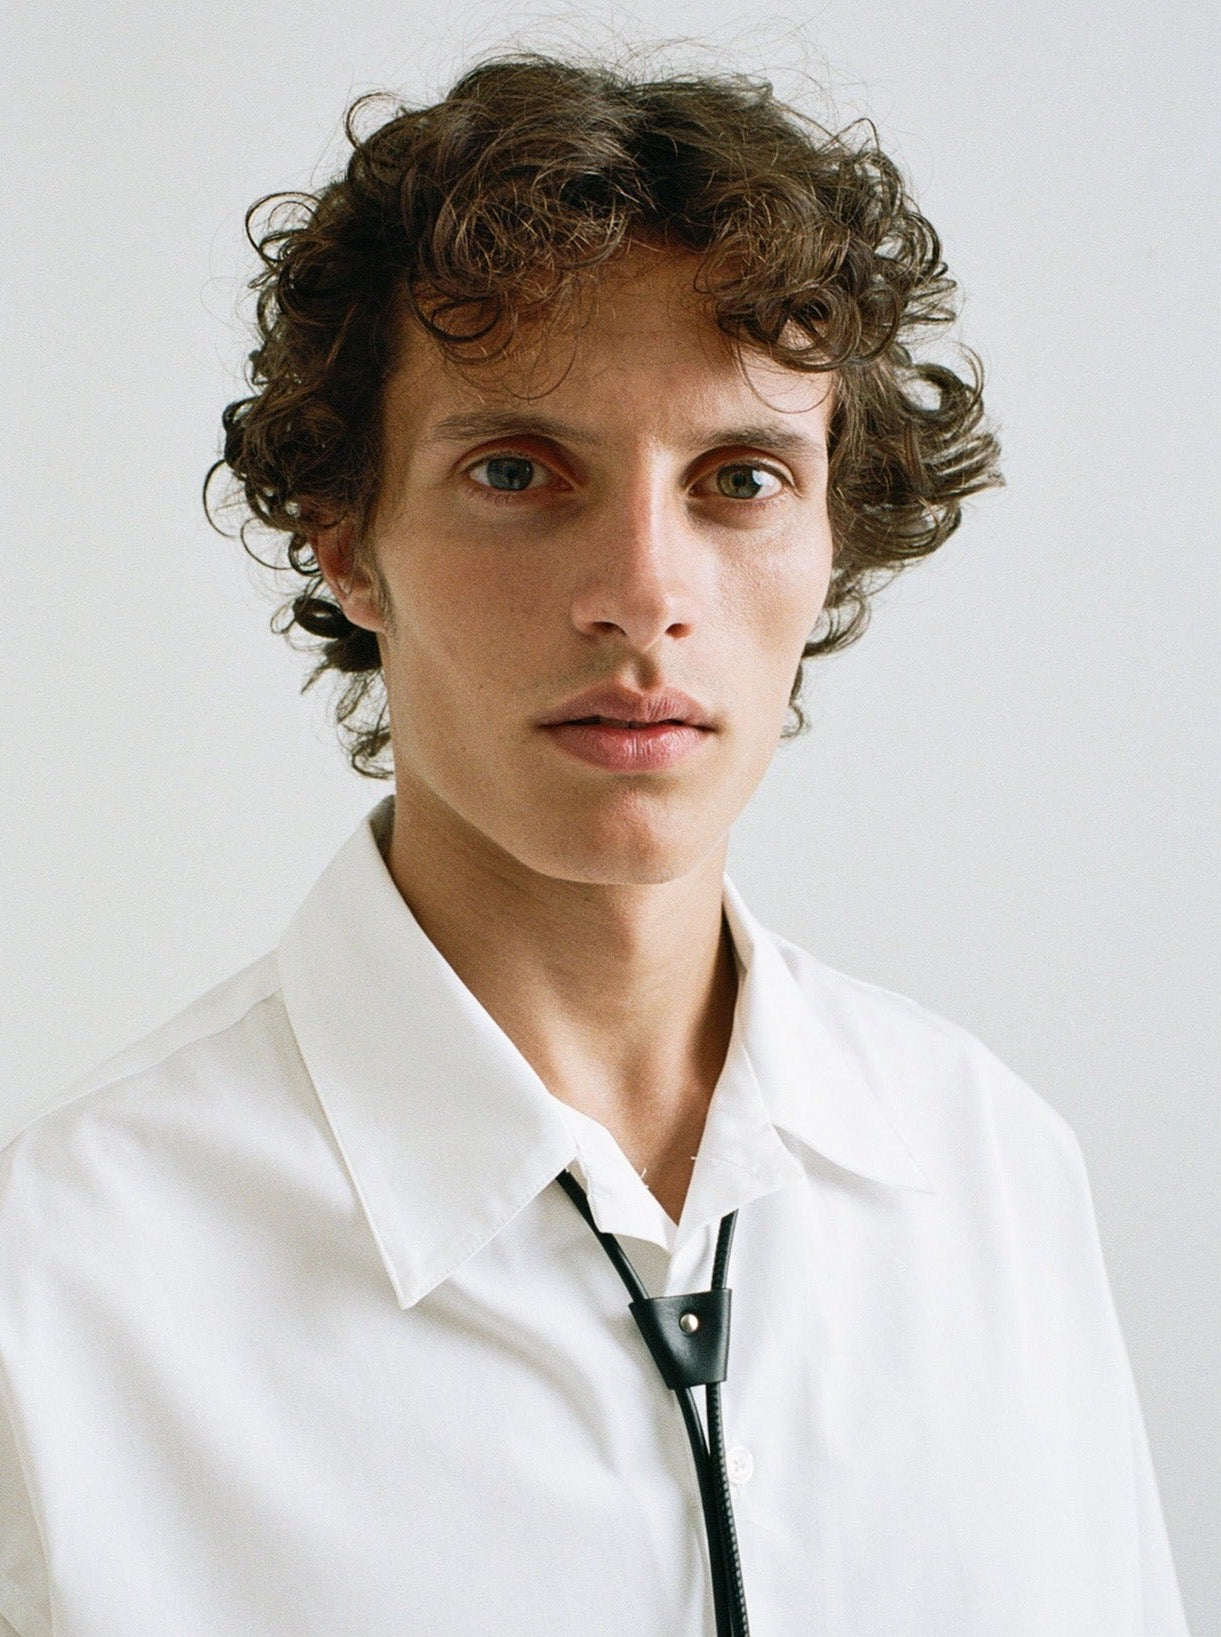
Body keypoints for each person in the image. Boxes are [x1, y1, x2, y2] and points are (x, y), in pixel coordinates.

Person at [0, 52, 1190, 1637]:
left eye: (739, 480)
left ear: (835, 535)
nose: (642, 591)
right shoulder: (58, 1287)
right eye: (515, 471)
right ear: (346, 536)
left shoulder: (985, 1172)